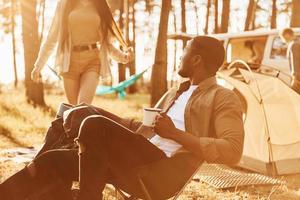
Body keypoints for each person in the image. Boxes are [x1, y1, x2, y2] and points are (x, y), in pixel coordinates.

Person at [0, 36, 245, 200]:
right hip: (132, 155)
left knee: (93, 125)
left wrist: (174, 134)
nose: (180, 56)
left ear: (196, 60)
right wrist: (93, 110)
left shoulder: (222, 97)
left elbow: (232, 150)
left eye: (184, 52)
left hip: (158, 170)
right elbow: (141, 128)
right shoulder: (176, 92)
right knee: (58, 144)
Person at [31, 0, 134, 105]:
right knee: (74, 110)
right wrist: (38, 66)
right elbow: (51, 38)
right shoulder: (65, 4)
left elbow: (106, 44)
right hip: (69, 63)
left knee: (82, 106)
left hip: (92, 61)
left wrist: (124, 57)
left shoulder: (100, 5)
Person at [280, 28, 300, 93]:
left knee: (294, 97)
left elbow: (296, 62)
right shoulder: (298, 42)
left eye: (282, 37)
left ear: (287, 35)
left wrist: (295, 79)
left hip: (298, 79)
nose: (283, 40)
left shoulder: (294, 45)